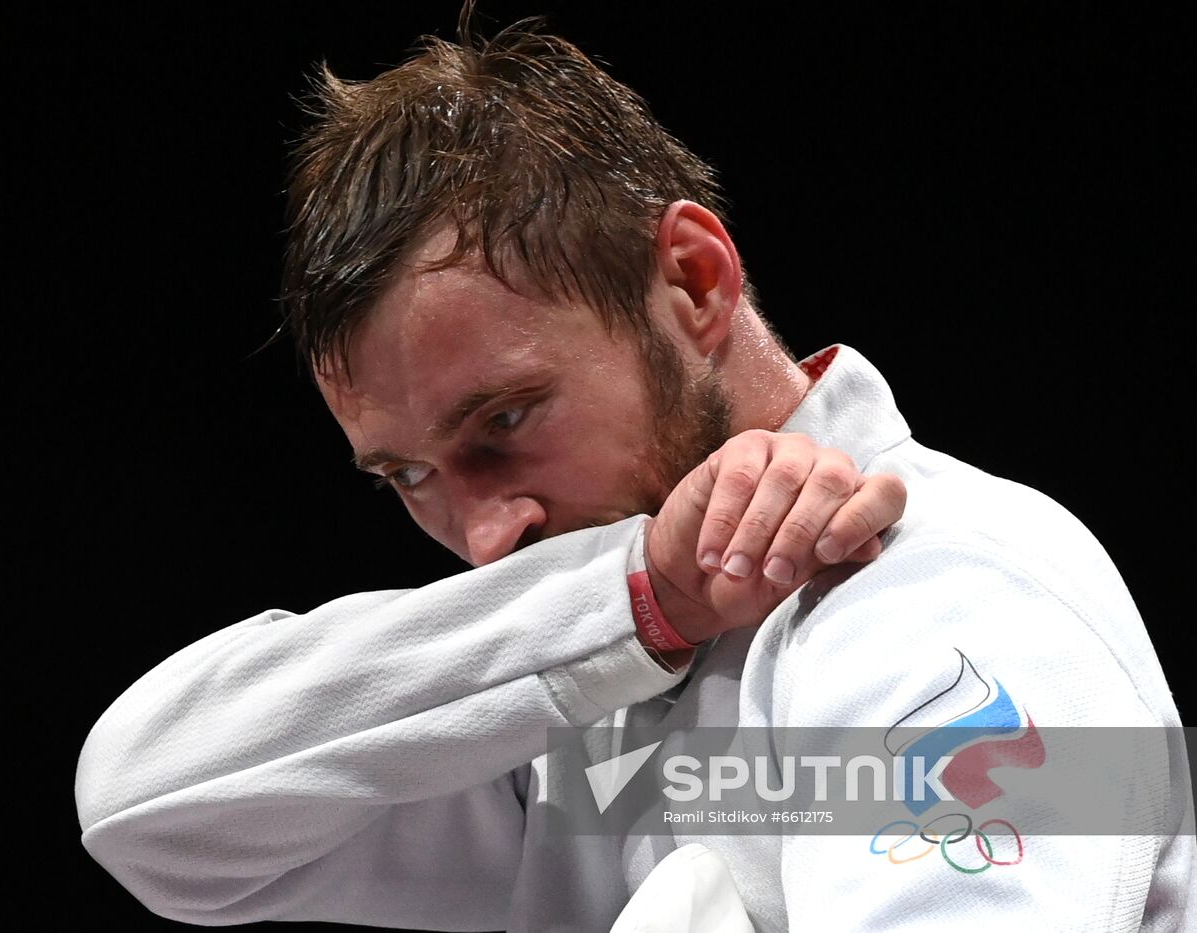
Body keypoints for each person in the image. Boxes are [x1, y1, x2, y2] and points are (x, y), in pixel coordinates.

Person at [73, 11, 1191, 931]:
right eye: (404, 476)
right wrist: (634, 596)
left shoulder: (960, 588)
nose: (482, 536)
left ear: (695, 283)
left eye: (504, 420)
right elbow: (142, 806)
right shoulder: (582, 677)